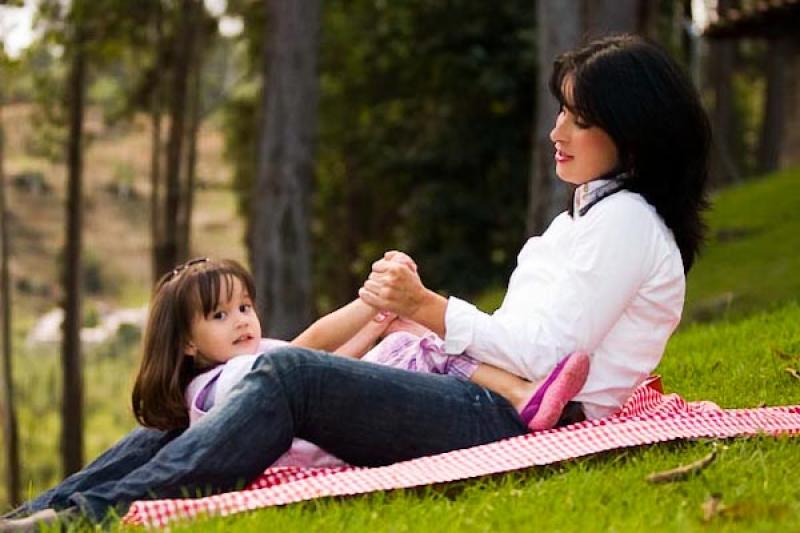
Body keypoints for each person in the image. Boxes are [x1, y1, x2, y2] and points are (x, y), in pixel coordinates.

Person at [1, 33, 710, 528]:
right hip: (484, 394)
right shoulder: (590, 218)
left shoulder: (626, 225)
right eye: (561, 108)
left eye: (578, 119)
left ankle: (88, 516)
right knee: (219, 399)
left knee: (284, 375)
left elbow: (544, 357)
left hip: (503, 417)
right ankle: (48, 510)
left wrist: (427, 307)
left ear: (633, 138)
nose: (556, 130)